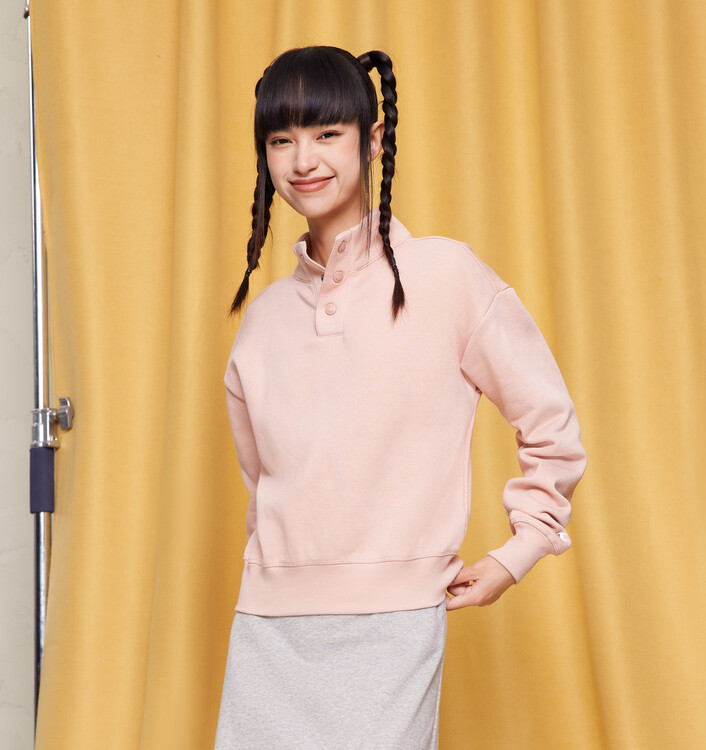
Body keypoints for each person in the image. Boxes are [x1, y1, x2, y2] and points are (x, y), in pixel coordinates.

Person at [213, 45, 587, 750]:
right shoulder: (261, 322)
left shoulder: (445, 276)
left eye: (327, 133)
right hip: (266, 628)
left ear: (373, 139)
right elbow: (264, 486)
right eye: (281, 139)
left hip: (394, 625)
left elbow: (550, 425)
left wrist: (521, 550)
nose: (303, 159)